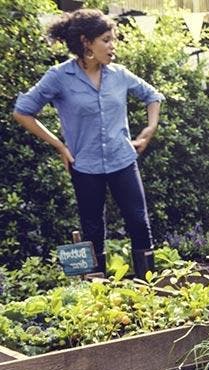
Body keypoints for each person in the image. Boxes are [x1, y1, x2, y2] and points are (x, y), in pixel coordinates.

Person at [13, 9, 163, 278]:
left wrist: (149, 128)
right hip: (84, 165)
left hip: (122, 160)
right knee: (92, 231)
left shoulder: (119, 74)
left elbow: (152, 96)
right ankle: (95, 297)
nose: (112, 46)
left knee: (139, 224)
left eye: (112, 39)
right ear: (86, 42)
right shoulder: (59, 77)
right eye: (106, 39)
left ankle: (149, 292)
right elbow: (22, 111)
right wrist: (59, 145)